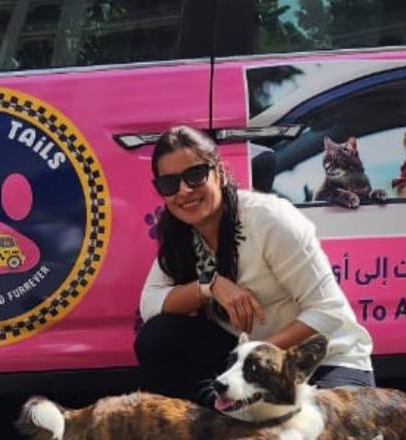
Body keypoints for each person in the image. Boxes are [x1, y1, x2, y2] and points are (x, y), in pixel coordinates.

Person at [134, 125, 374, 406]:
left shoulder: (267, 219)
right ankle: (214, 425)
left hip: (323, 358)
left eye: (196, 175)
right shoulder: (181, 233)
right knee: (158, 337)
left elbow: (328, 310)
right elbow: (150, 304)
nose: (184, 190)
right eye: (169, 184)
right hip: (249, 362)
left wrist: (254, 358)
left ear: (220, 171)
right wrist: (210, 286)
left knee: (312, 426)